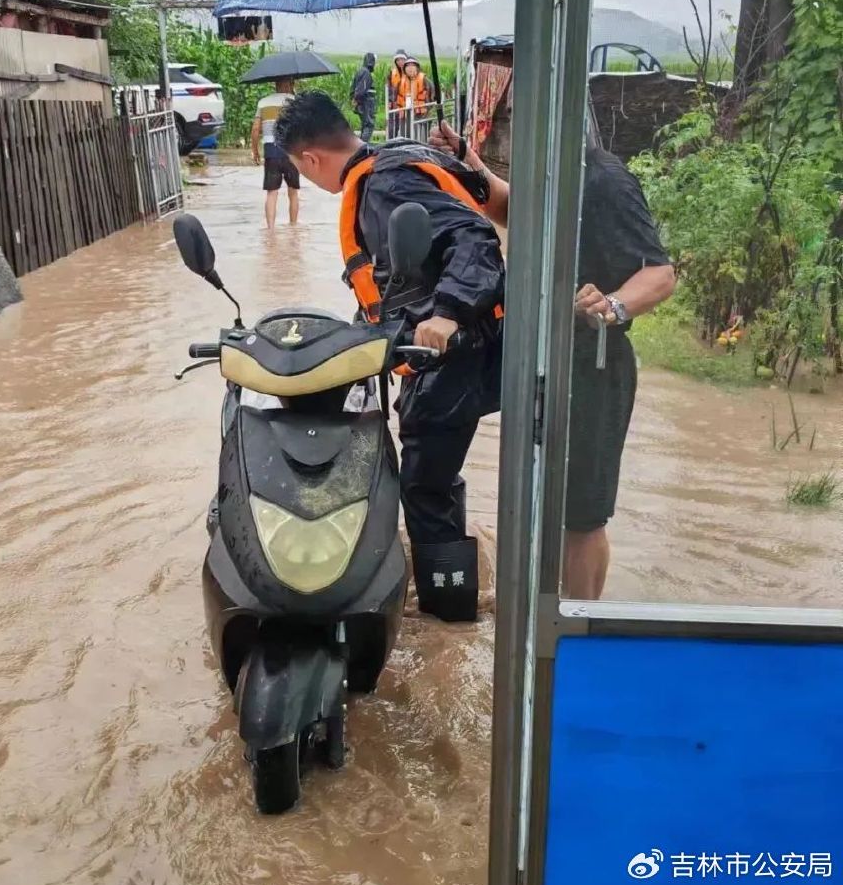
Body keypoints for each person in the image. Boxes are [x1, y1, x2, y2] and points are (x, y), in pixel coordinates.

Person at [274, 91, 505, 623]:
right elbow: (400, 278)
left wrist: (448, 312)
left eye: (301, 172)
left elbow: (472, 237)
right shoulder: (397, 160)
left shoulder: (384, 183)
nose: (308, 181)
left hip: (459, 348)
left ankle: (449, 616)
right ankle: (455, 573)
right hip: (454, 346)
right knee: (434, 466)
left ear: (310, 159)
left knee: (421, 482)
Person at [429, 120, 675, 601]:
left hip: (592, 367)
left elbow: (661, 274)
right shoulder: (552, 178)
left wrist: (613, 305)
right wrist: (469, 163)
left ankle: (576, 631)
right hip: (538, 362)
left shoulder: (604, 181)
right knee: (543, 502)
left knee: (581, 516)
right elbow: (515, 209)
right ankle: (545, 616)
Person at [251, 76, 300, 229]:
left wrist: (255, 150)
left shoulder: (263, 103)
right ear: (288, 84)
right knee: (293, 192)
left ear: (276, 84)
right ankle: (293, 227)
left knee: (272, 193)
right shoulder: (295, 102)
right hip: (291, 150)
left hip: (271, 150)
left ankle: (270, 230)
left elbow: (255, 130)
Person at [350, 52, 377, 143]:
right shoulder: (366, 73)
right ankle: (363, 147)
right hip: (366, 103)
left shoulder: (361, 71)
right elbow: (361, 90)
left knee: (365, 125)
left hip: (363, 102)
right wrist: (356, 100)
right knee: (368, 125)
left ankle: (361, 146)